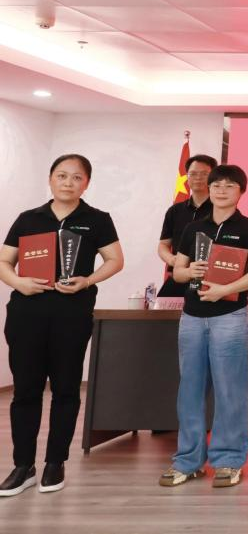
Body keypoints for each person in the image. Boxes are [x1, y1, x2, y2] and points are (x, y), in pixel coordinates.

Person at [0, 154, 123, 496]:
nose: (68, 183)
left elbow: (115, 260)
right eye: (62, 175)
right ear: (51, 179)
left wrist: (87, 281)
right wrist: (18, 282)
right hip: (27, 314)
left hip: (72, 314)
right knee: (26, 390)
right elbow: (4, 261)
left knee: (66, 389)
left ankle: (55, 463)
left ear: (87, 183)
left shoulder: (97, 219)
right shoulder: (29, 218)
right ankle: (23, 466)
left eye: (76, 177)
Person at [159, 165, 248, 489]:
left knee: (230, 390)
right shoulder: (194, 228)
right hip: (192, 318)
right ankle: (188, 461)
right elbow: (177, 272)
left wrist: (225, 290)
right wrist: (190, 271)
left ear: (241, 191)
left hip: (230, 317)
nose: (221, 190)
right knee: (189, 391)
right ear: (209, 189)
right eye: (216, 185)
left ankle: (228, 460)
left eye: (229, 185)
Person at [157, 154, 216, 297]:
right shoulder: (175, 211)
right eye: (193, 174)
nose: (198, 178)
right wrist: (172, 260)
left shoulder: (219, 209)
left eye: (204, 174)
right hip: (179, 276)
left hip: (209, 279)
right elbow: (163, 245)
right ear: (187, 177)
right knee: (160, 308)